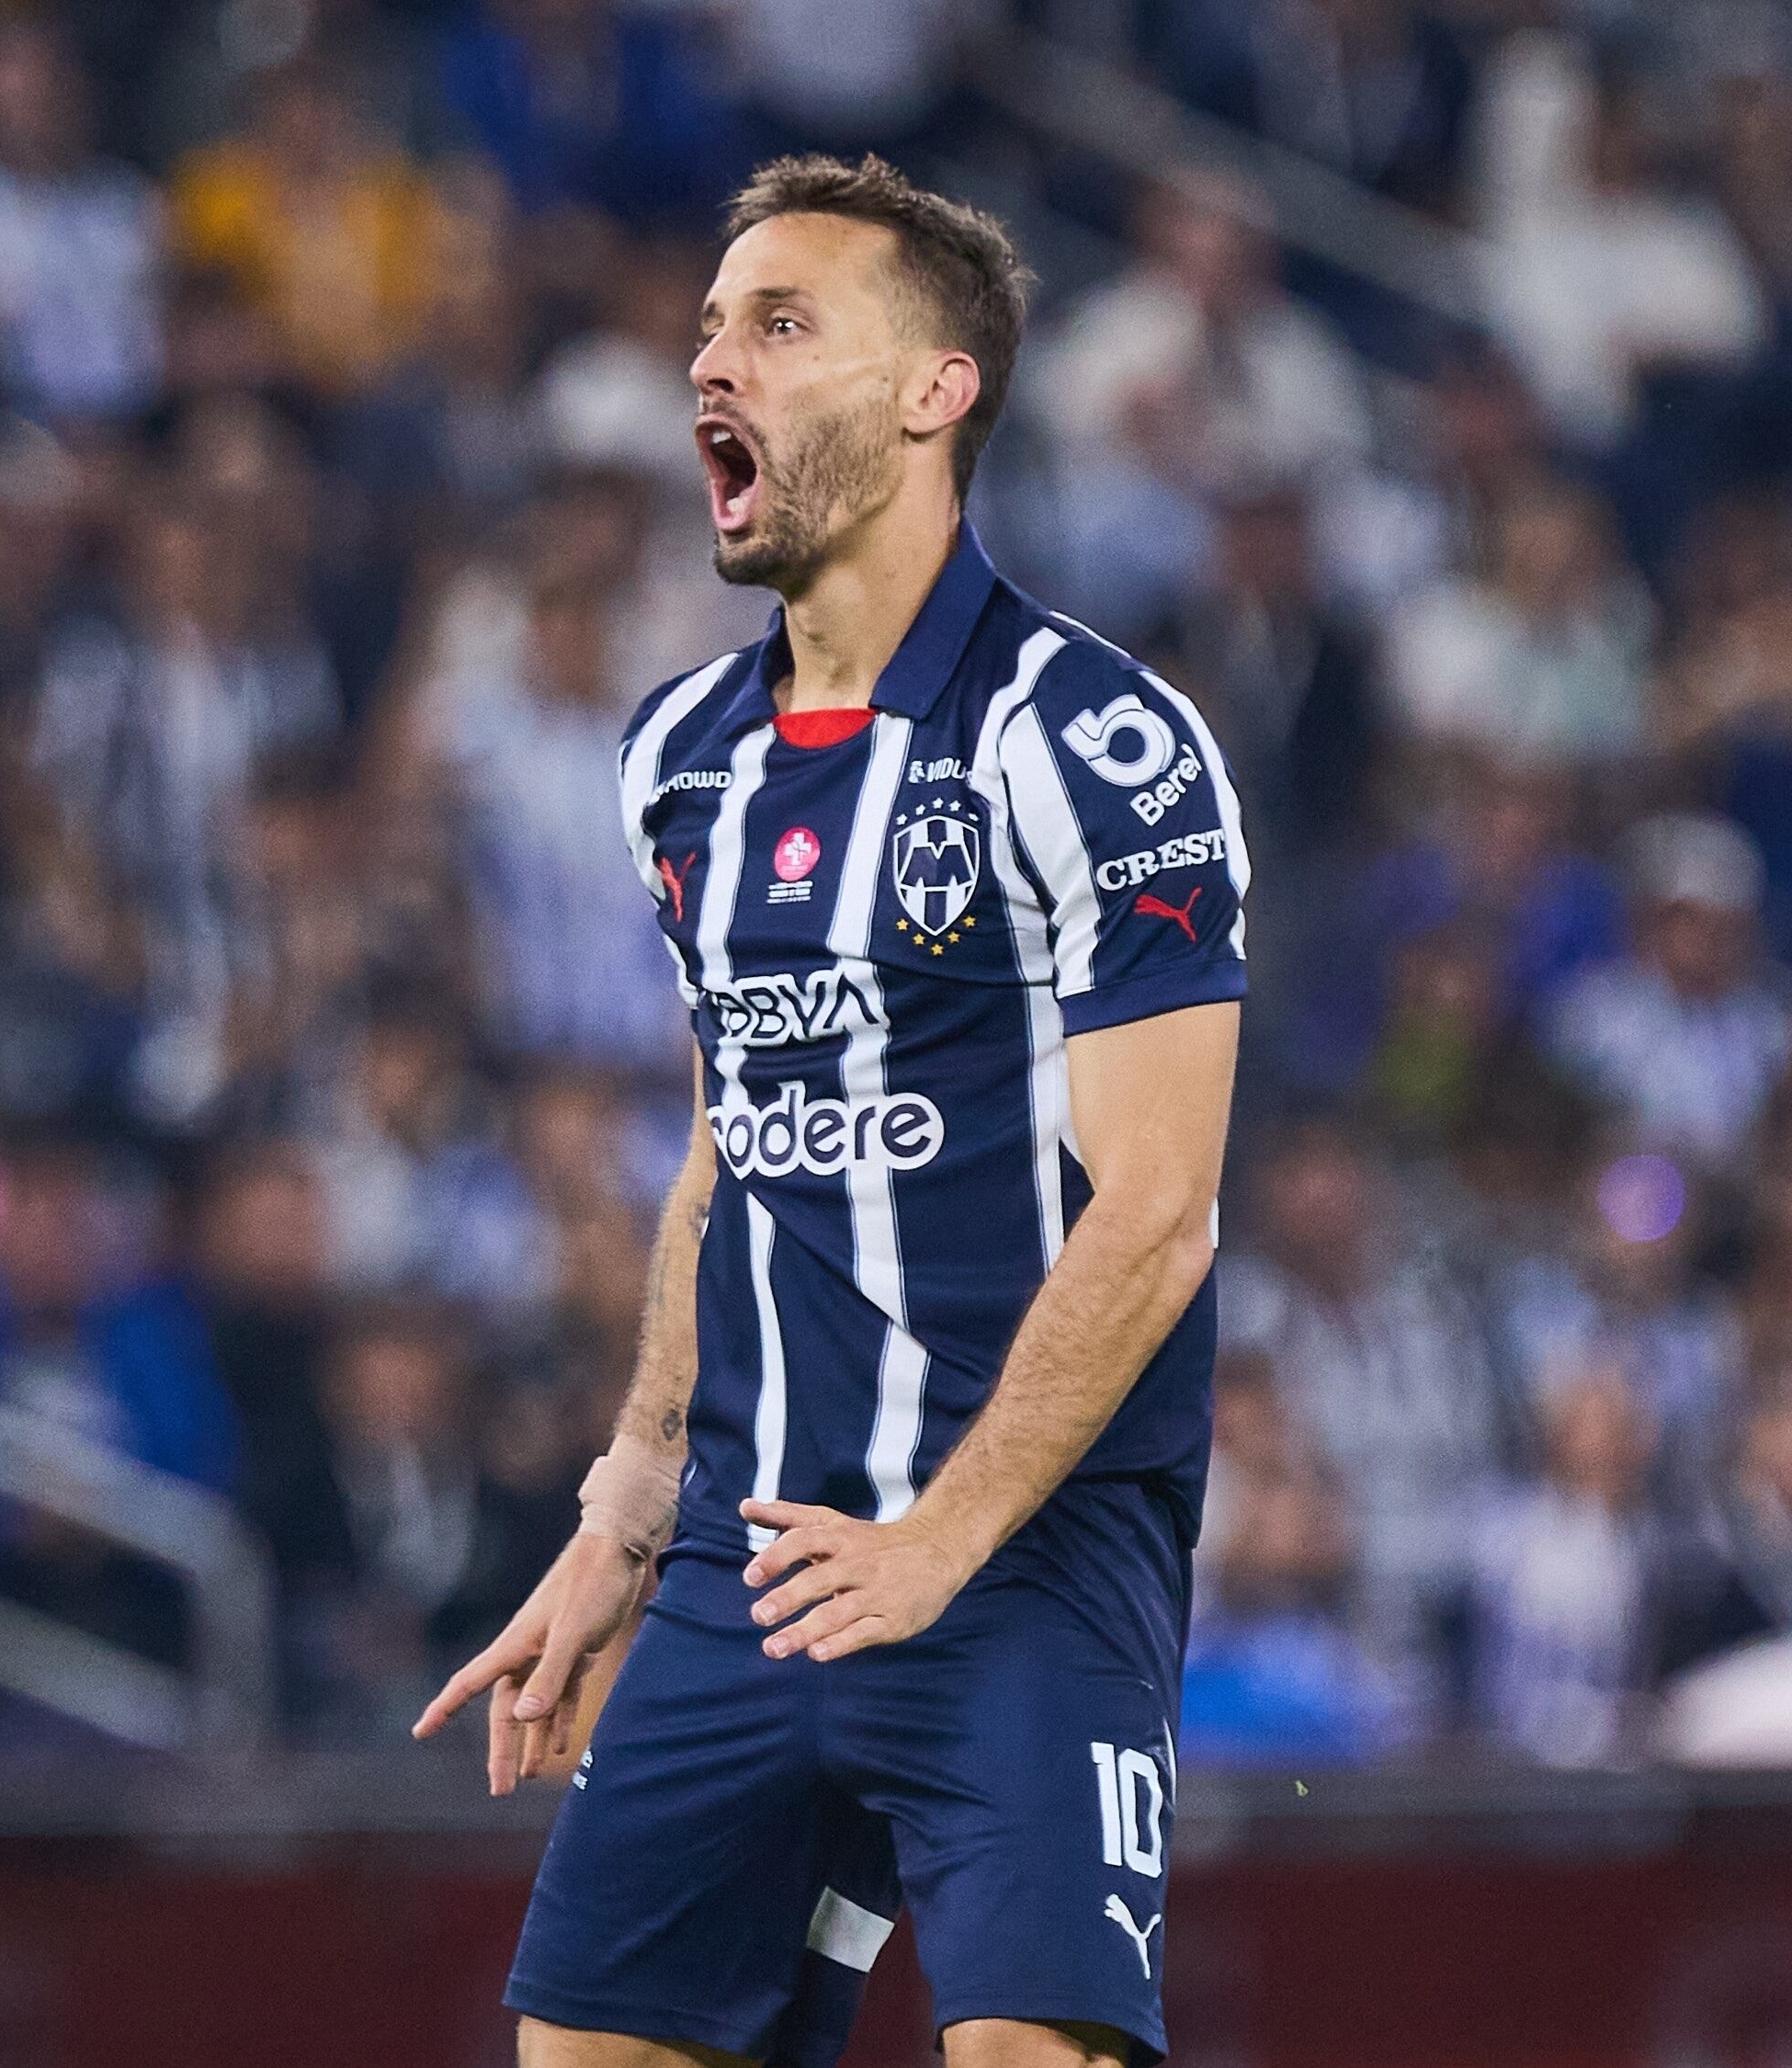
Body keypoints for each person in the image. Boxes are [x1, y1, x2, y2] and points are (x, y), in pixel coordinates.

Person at [418, 156, 1248, 2068]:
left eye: (777, 324)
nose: (710, 361)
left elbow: (1155, 1213)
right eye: (705, 327)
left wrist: (939, 1543)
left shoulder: (1096, 745)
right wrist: (626, 1513)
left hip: (1025, 1563)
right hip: (756, 1561)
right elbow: (737, 1141)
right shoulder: (674, 759)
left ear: (929, 390)